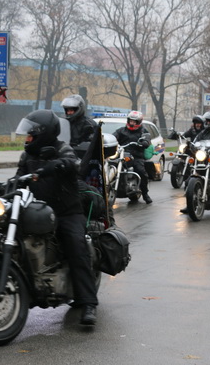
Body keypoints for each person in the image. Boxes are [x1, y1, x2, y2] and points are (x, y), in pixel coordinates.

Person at [15, 109, 99, 326]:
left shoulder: (63, 149)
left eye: (30, 134)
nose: (27, 139)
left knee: (75, 246)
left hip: (67, 212)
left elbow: (74, 163)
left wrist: (59, 164)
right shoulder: (28, 156)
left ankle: (88, 302)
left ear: (43, 132)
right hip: (38, 211)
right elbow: (18, 178)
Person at [113, 110, 153, 204]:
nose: (132, 123)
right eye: (131, 121)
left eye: (134, 122)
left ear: (138, 122)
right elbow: (113, 136)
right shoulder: (121, 130)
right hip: (122, 154)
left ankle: (145, 193)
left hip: (136, 156)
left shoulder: (143, 131)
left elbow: (147, 139)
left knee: (141, 171)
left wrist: (144, 142)